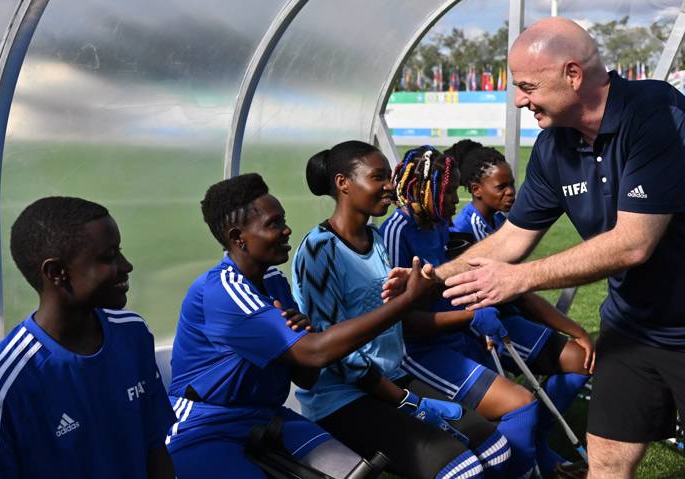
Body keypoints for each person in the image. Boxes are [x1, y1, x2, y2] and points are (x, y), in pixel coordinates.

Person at [391, 17, 685, 479]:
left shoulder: (656, 115)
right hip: (633, 329)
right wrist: (432, 278)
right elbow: (512, 238)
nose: (518, 99)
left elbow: (634, 244)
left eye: (528, 86)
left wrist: (519, 278)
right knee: (607, 459)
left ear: (573, 75)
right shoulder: (553, 147)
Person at [165, 173, 438, 479]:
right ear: (237, 236)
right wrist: (406, 300)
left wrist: (306, 333)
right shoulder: (221, 290)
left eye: (283, 220)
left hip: (264, 417)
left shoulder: (273, 282)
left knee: (356, 474)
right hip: (206, 426)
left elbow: (306, 376)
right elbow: (316, 354)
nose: (286, 230)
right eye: (273, 224)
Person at [292, 141, 513, 479]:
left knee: (496, 449)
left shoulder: (376, 239)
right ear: (343, 183)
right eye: (378, 177)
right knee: (462, 470)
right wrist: (405, 401)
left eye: (388, 177)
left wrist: (418, 291)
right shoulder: (319, 250)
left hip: (390, 379)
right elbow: (332, 350)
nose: (389, 186)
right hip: (343, 397)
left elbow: (397, 312)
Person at [381, 144, 592, 477]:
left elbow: (453, 287)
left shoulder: (438, 225)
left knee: (521, 406)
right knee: (520, 405)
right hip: (420, 352)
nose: (454, 199)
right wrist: (473, 316)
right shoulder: (397, 232)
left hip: (460, 334)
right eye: (448, 191)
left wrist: (474, 314)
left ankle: (537, 459)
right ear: (425, 190)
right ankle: (531, 466)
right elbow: (400, 320)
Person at [0, 197, 176, 478]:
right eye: (108, 257)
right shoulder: (1, 389)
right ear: (56, 273)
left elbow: (154, 446)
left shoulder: (132, 333)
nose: (127, 266)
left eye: (120, 251)